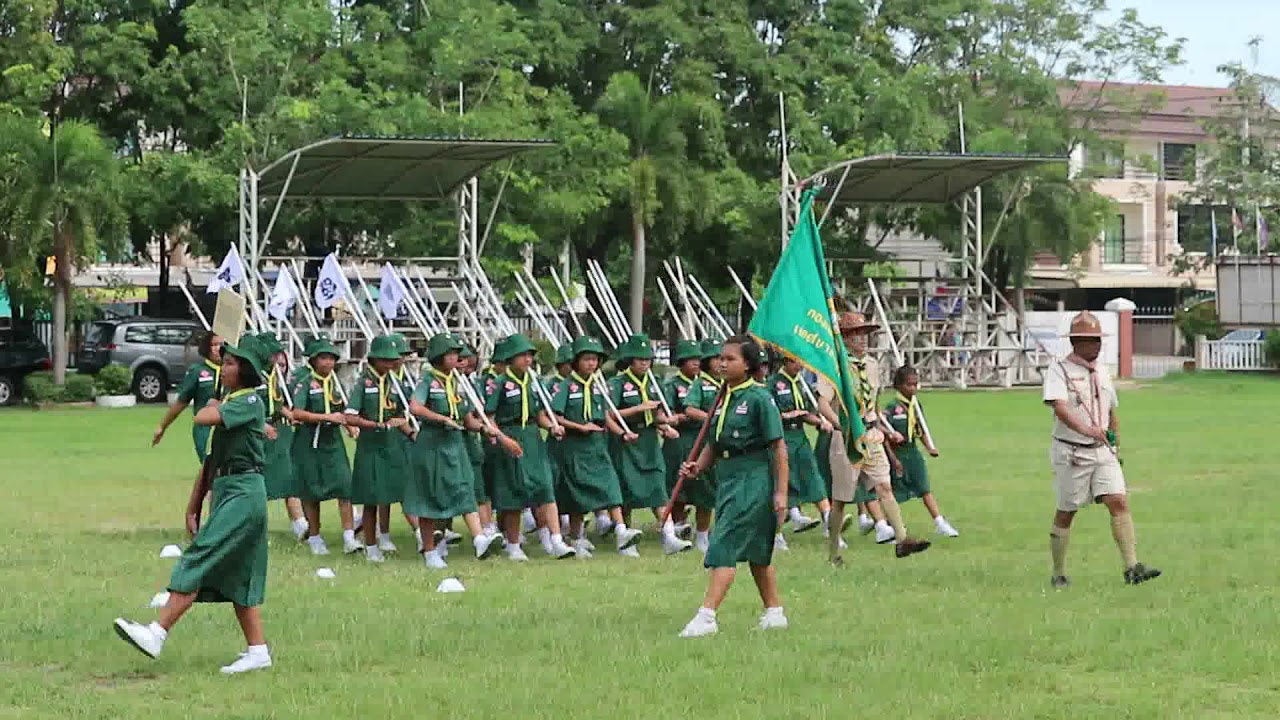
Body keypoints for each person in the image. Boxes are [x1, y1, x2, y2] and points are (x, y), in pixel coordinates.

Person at [114, 335, 274, 674]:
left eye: (229, 363)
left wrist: (213, 400)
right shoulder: (231, 402)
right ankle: (258, 651)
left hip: (244, 492)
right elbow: (211, 462)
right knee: (238, 575)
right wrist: (193, 506)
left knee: (199, 556)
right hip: (228, 488)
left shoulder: (249, 401)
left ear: (245, 371)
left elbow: (201, 417)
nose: (222, 367)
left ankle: (157, 633)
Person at [677, 336, 789, 638]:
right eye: (720, 358)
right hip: (727, 477)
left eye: (730, 359)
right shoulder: (722, 396)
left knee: (724, 543)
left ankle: (707, 615)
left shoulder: (759, 398)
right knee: (756, 550)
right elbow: (715, 442)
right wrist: (698, 466)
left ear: (748, 364)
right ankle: (775, 612)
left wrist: (781, 493)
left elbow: (778, 447)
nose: (722, 364)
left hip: (752, 478)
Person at [1043, 311, 1160, 588]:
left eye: (1098, 339)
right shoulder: (1059, 370)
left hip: (1103, 451)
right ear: (1076, 342)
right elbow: (1060, 408)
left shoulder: (1103, 370)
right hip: (1072, 453)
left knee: (1118, 501)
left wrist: (1115, 443)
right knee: (1067, 511)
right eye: (1091, 340)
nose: (1097, 345)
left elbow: (1110, 409)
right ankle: (1059, 573)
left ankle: (1132, 567)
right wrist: (1086, 430)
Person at [818, 312, 930, 564]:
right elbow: (823, 402)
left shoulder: (871, 365)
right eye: (855, 334)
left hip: (870, 433)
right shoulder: (835, 366)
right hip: (847, 436)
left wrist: (882, 428)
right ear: (844, 338)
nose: (862, 339)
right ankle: (833, 551)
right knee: (841, 499)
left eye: (864, 334)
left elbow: (875, 403)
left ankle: (902, 539)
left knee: (884, 485)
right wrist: (839, 424)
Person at [407, 333, 506, 568]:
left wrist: (484, 428)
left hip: (455, 445)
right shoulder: (428, 381)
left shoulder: (458, 382)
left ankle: (479, 539)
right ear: (439, 357)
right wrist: (440, 418)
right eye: (451, 354)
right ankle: (430, 551)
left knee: (464, 489)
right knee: (430, 497)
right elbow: (415, 407)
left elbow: (467, 418)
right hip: (431, 445)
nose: (457, 358)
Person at [483, 333, 576, 561]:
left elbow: (541, 414)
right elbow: (488, 417)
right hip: (511, 436)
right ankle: (514, 544)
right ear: (510, 358)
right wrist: (503, 439)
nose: (527, 360)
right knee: (514, 493)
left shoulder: (535, 383)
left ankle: (556, 540)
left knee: (545, 488)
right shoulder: (499, 384)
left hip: (533, 438)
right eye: (522, 355)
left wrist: (552, 426)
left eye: (529, 355)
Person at [551, 335, 644, 557]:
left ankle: (621, 532)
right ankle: (576, 539)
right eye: (587, 359)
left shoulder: (598, 386)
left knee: (611, 487)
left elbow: (605, 416)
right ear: (576, 361)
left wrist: (622, 433)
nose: (591, 363)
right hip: (574, 446)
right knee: (576, 496)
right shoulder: (566, 386)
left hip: (597, 445)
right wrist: (579, 427)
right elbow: (555, 416)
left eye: (595, 359)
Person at [609, 333, 691, 556]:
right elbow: (610, 414)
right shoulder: (618, 383)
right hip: (627, 440)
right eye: (640, 359)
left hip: (649, 441)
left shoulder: (654, 382)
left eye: (647, 359)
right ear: (630, 360)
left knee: (658, 487)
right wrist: (638, 409)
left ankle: (669, 536)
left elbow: (657, 414)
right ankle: (625, 539)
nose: (644, 363)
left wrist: (665, 424)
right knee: (626, 490)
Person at [343, 336, 413, 563]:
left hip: (391, 446)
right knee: (371, 498)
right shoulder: (364, 383)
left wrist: (412, 434)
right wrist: (373, 425)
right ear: (374, 359)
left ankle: (386, 536)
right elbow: (350, 416)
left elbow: (399, 416)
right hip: (370, 447)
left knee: (389, 494)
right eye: (386, 359)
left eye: (393, 360)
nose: (391, 363)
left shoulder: (395, 383)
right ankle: (371, 546)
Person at [290, 335, 357, 556]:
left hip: (332, 442)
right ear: (313, 360)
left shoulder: (337, 383)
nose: (328, 362)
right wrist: (325, 417)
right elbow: (297, 413)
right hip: (309, 442)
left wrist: (349, 426)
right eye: (323, 358)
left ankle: (349, 537)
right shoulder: (306, 383)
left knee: (345, 486)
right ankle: (315, 536)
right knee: (311, 490)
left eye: (331, 358)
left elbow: (344, 409)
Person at [885, 366, 958, 537]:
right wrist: (893, 459)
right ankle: (890, 527)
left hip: (913, 452)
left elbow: (921, 430)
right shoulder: (892, 408)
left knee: (924, 488)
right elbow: (885, 437)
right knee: (894, 493)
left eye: (915, 384)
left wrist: (929, 447)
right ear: (899, 386)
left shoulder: (916, 406)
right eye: (909, 385)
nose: (913, 388)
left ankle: (939, 522)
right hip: (897, 453)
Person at [767, 355, 834, 540]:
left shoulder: (801, 383)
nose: (798, 366)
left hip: (800, 436)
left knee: (812, 474)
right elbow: (769, 414)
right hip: (782, 437)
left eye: (800, 362)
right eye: (794, 362)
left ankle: (829, 519)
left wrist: (820, 422)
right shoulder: (773, 384)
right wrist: (787, 415)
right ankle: (778, 532)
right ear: (785, 362)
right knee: (785, 481)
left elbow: (806, 413)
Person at [254, 332, 308, 541]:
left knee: (289, 477)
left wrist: (289, 414)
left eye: (279, 354)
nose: (278, 360)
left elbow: (279, 402)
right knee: (256, 481)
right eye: (273, 354)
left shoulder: (281, 378)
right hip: (257, 433)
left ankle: (299, 523)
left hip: (280, 432)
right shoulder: (253, 375)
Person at [153, 331, 223, 462]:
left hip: (229, 427)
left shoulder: (235, 371)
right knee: (210, 466)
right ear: (206, 348)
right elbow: (182, 402)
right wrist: (162, 426)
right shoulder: (197, 371)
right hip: (205, 430)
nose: (218, 349)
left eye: (221, 344)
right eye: (214, 345)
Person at [663, 340, 707, 540]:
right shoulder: (672, 385)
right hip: (680, 437)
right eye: (691, 359)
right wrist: (679, 417)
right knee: (678, 481)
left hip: (700, 436)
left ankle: (701, 528)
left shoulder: (705, 383)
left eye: (698, 359)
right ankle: (679, 522)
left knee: (701, 482)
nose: (696, 363)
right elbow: (667, 413)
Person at [459, 345, 497, 536]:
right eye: (463, 362)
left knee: (480, 487)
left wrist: (487, 427)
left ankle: (487, 527)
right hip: (453, 439)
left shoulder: (473, 384)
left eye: (471, 365)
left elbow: (480, 412)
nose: (467, 368)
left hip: (472, 440)